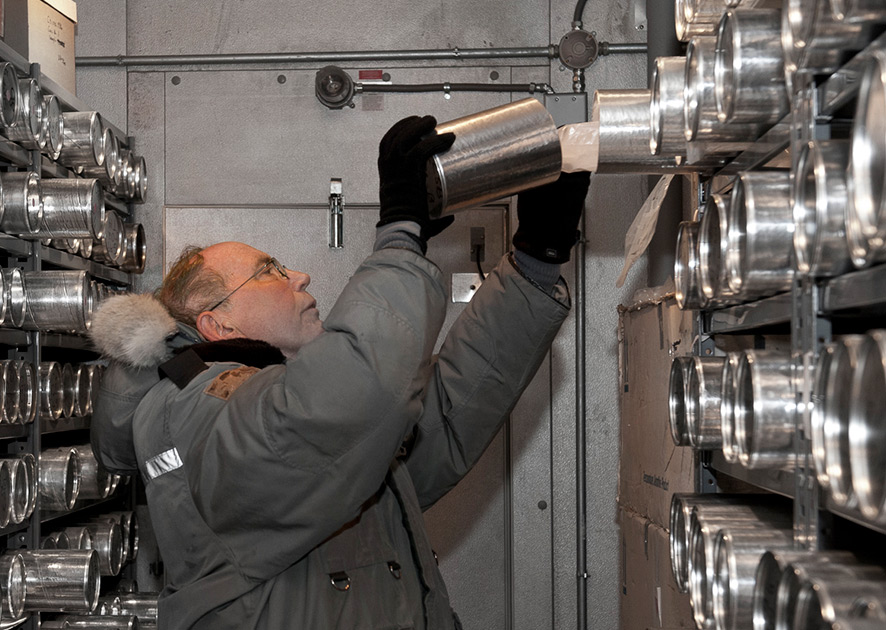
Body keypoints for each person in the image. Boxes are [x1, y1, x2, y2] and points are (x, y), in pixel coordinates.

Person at [89, 114, 591, 630]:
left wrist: (536, 257)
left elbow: (436, 423)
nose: (300, 274)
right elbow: (349, 402)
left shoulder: (263, 403)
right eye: (270, 270)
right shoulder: (190, 410)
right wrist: (400, 237)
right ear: (216, 322)